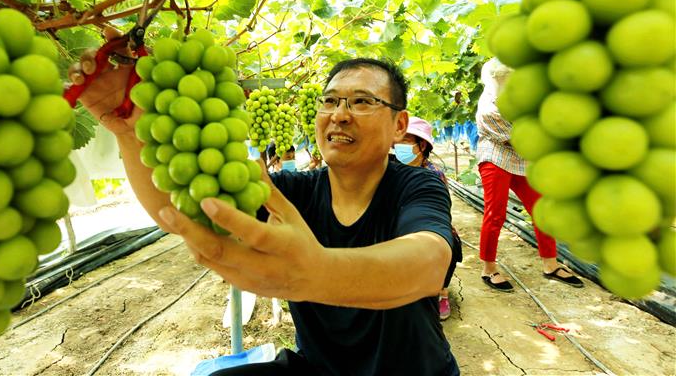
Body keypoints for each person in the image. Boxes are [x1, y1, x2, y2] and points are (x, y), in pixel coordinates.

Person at [78, 57, 459, 375]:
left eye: (361, 102)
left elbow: (428, 261)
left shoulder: (417, 186)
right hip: (318, 368)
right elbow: (184, 214)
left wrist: (317, 272)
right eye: (330, 100)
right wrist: (127, 131)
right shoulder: (289, 193)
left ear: (399, 125)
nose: (339, 115)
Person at [475, 58, 583, 291]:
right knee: (495, 214)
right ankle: (488, 269)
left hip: (523, 160)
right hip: (497, 156)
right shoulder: (490, 109)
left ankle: (550, 265)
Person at [394, 117, 463, 321]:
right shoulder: (392, 170)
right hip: (400, 231)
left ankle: (441, 291)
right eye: (397, 141)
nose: (398, 146)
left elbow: (440, 213)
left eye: (405, 140)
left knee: (447, 242)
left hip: (428, 230)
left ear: (421, 145)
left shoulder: (433, 174)